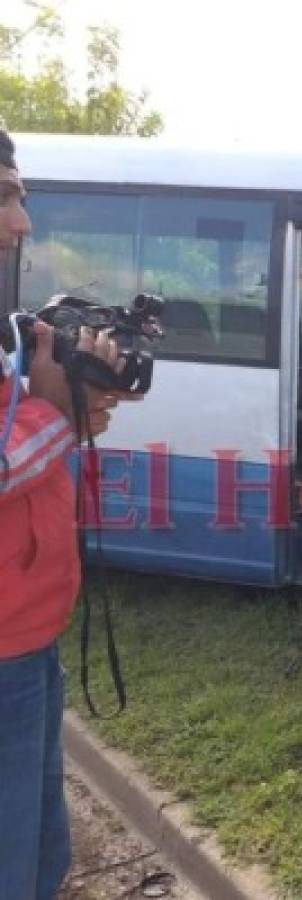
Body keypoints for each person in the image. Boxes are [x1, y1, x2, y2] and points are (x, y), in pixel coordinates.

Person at [0, 129, 131, 899]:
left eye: (18, 196)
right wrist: (59, 418)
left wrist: (71, 387)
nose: (22, 223)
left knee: (42, 856)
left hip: (28, 643)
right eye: (5, 197)